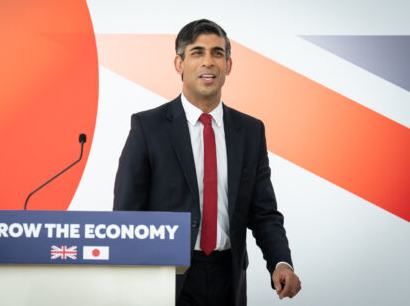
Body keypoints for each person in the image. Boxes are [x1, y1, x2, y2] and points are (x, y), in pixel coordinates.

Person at [114, 19, 301, 306]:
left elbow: (263, 212)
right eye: (197, 52)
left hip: (229, 275)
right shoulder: (147, 127)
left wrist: (281, 262)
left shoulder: (250, 131)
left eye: (217, 53)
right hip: (166, 277)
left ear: (228, 65)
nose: (208, 62)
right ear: (180, 64)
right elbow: (127, 214)